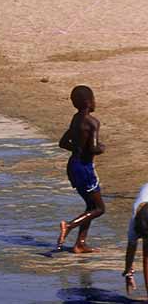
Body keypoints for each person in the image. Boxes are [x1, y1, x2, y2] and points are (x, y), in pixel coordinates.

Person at [56, 85, 106, 253]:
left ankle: (80, 244)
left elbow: (63, 142)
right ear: (87, 102)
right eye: (93, 99)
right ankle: (69, 226)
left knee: (90, 206)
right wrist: (102, 147)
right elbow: (93, 149)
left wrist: (77, 150)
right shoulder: (92, 122)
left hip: (73, 166)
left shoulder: (75, 119)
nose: (95, 102)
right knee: (99, 209)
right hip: (84, 169)